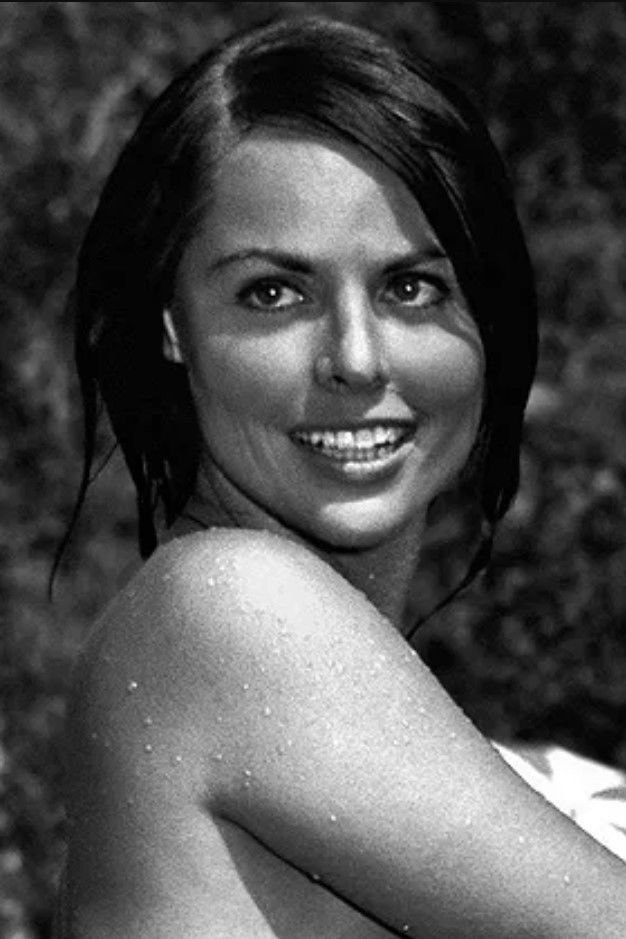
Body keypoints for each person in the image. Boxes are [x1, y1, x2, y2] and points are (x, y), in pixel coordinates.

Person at [54, 13, 626, 938]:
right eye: (275, 293)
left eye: (411, 287)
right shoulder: (226, 606)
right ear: (172, 323)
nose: (356, 359)